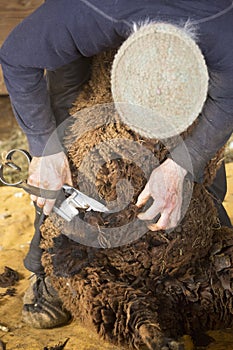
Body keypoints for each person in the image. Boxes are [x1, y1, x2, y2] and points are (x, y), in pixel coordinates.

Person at [0, 0, 233, 329]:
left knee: (202, 148)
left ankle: (205, 241)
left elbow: (228, 99)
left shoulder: (225, 29)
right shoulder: (83, 13)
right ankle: (49, 267)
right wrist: (43, 146)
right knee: (71, 138)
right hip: (94, 28)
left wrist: (183, 163)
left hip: (203, 43)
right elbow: (16, 57)